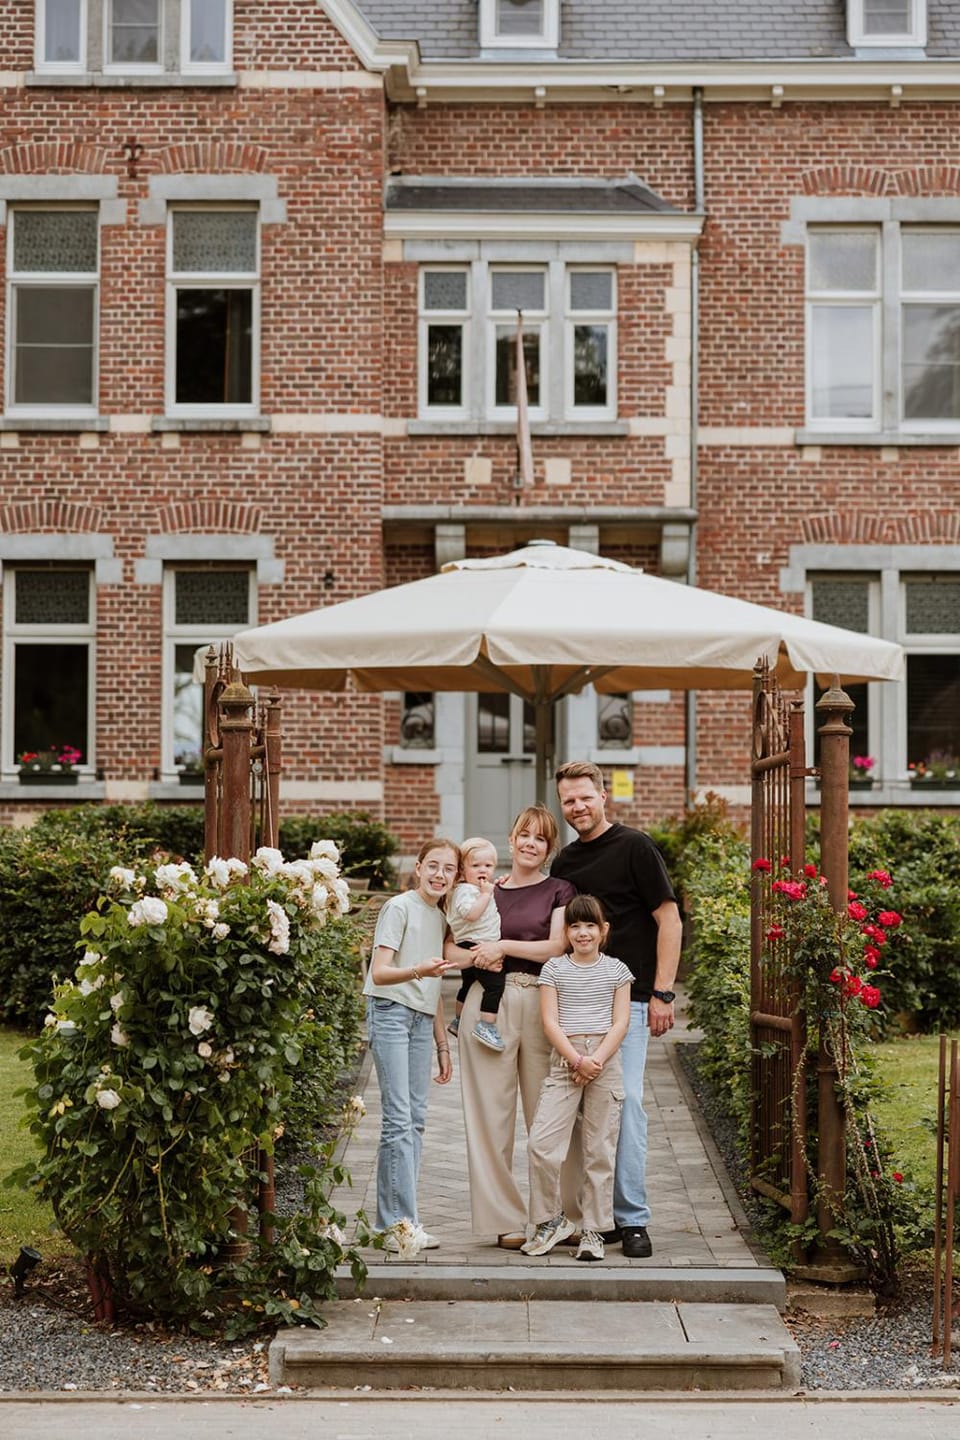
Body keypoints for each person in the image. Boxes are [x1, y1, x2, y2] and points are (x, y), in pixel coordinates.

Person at [551, 761, 682, 1260]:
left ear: (603, 796)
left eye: (585, 796)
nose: (578, 807)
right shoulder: (563, 863)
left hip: (627, 1002)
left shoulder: (636, 847)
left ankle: (632, 1219)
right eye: (568, 800)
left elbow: (668, 920)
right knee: (585, 1114)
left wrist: (663, 993)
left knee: (626, 1106)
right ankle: (595, 1218)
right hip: (575, 1007)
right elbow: (558, 932)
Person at [445, 805, 576, 1248]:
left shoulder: (559, 890)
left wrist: (499, 943)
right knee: (490, 1116)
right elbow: (453, 948)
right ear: (511, 838)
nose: (530, 843)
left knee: (547, 1115)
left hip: (542, 1003)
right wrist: (475, 956)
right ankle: (503, 1220)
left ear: (549, 848)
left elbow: (557, 947)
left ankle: (550, 1215)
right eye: (524, 834)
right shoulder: (485, 890)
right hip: (489, 1004)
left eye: (540, 838)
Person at [523, 895, 632, 1263]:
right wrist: (575, 1059)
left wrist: (595, 1060)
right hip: (565, 1060)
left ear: (603, 931)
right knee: (541, 1143)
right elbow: (549, 1021)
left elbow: (621, 1022)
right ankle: (551, 1220)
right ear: (566, 931)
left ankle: (593, 1230)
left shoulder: (617, 970)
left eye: (590, 925)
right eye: (574, 925)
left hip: (604, 1059)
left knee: (599, 1150)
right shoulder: (554, 970)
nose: (582, 932)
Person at [363, 837, 457, 1251]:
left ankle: (399, 1222)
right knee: (398, 1121)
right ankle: (398, 1226)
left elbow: (434, 988)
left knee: (416, 1120)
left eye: (449, 869)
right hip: (390, 1014)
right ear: (418, 868)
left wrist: (442, 1044)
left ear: (456, 877)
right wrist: (417, 969)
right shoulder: (399, 908)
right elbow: (380, 973)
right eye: (433, 865)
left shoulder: (440, 918)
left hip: (421, 1022)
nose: (440, 874)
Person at [446, 837, 505, 1051]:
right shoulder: (466, 891)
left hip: (473, 943)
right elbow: (471, 914)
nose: (483, 870)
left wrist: (491, 889)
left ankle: (458, 1020)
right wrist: (486, 895)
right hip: (476, 944)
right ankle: (486, 1025)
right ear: (462, 870)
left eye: (488, 866)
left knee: (468, 984)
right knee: (495, 985)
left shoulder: (477, 889)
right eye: (476, 865)